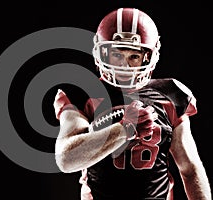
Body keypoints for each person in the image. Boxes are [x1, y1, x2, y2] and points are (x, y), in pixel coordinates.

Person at [53, 7, 211, 200]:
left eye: (134, 56)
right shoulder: (82, 92)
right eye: (117, 55)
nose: (124, 66)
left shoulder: (170, 94)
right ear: (101, 52)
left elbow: (190, 168)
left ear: (149, 56)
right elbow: (66, 159)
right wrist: (123, 130)